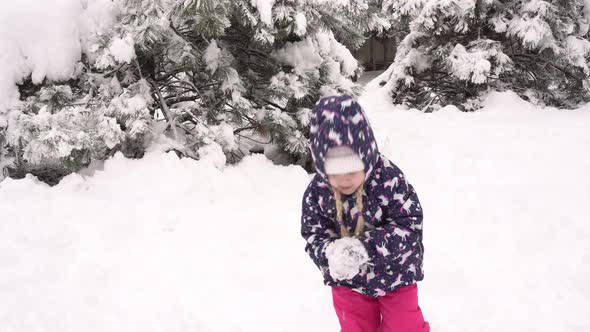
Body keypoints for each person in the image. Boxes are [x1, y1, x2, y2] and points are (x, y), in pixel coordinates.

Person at [301, 95, 430, 332]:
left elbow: (409, 226)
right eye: (334, 173)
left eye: (352, 170)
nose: (344, 180)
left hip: (396, 274)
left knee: (405, 326)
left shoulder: (388, 178)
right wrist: (330, 255)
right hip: (349, 282)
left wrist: (365, 248)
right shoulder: (317, 192)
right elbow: (313, 234)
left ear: (367, 157)